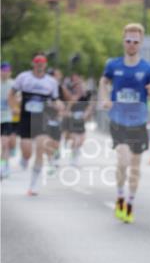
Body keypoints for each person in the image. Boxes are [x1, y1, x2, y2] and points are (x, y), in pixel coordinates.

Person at [98, 23, 150, 224]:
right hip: (118, 120)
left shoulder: (147, 68)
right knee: (122, 161)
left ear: (140, 43)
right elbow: (103, 82)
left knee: (135, 166)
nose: (131, 44)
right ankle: (119, 197)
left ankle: (130, 202)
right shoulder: (113, 65)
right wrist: (105, 98)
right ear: (123, 41)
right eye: (128, 41)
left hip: (139, 122)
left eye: (135, 42)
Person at [8, 53, 62, 196]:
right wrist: (14, 107)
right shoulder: (23, 77)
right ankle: (24, 159)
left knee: (41, 148)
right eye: (37, 62)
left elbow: (55, 99)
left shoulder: (51, 82)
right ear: (33, 63)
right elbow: (11, 94)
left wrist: (59, 106)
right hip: (25, 119)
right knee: (27, 152)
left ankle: (34, 184)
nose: (39, 64)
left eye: (42, 62)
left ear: (45, 65)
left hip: (41, 120)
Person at [62, 72, 93, 165]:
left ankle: (75, 153)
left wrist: (86, 114)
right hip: (72, 122)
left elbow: (89, 107)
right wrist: (70, 108)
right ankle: (73, 158)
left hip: (81, 122)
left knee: (81, 141)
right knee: (76, 140)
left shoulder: (85, 96)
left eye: (80, 86)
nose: (79, 88)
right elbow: (66, 110)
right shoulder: (70, 96)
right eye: (77, 86)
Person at [1, 62, 17, 179]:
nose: (5, 73)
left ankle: (3, 167)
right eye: (3, 70)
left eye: (8, 71)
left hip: (6, 118)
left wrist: (15, 107)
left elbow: (18, 99)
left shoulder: (13, 84)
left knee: (5, 144)